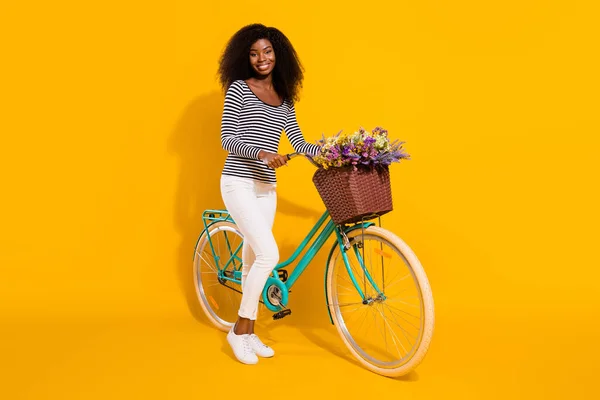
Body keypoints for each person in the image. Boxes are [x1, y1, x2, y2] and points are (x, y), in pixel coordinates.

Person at [216, 24, 321, 364]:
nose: (261, 58)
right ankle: (239, 330)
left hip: (266, 188)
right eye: (254, 53)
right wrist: (261, 154)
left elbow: (299, 141)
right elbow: (227, 140)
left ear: (279, 55)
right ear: (244, 57)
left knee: (252, 263)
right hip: (238, 182)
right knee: (269, 255)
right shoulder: (239, 89)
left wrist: (328, 151)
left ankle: (250, 333)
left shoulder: (284, 98)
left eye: (267, 51)